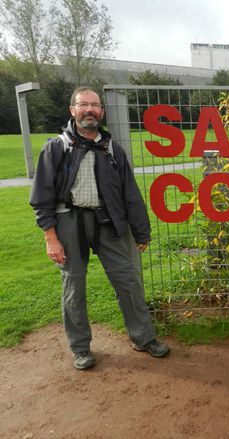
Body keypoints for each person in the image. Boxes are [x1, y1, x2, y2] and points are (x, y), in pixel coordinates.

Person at [30, 86, 169, 370]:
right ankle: (80, 348)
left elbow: (130, 193)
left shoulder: (112, 149)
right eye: (84, 105)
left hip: (109, 223)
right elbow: (41, 198)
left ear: (101, 112)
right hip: (69, 223)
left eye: (94, 105)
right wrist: (51, 237)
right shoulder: (56, 147)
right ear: (73, 110)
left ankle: (143, 337)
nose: (90, 110)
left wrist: (141, 231)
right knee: (74, 287)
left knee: (129, 281)